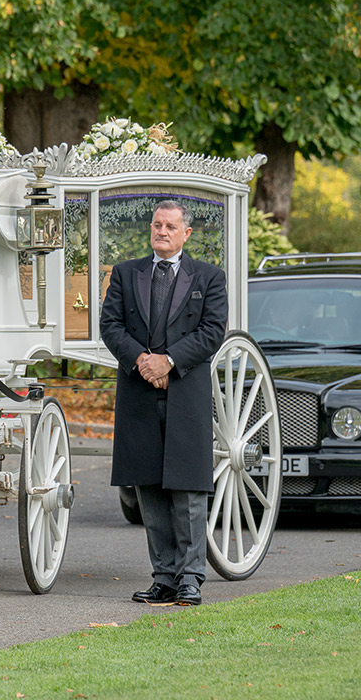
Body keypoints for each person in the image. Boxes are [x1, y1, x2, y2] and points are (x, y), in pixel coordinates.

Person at [99, 200, 227, 607]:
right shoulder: (125, 273)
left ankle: (190, 579)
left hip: (185, 391)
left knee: (188, 489)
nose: (162, 232)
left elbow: (212, 331)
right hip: (138, 389)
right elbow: (110, 325)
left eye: (171, 226)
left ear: (186, 233)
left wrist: (168, 361)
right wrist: (142, 360)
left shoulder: (209, 277)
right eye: (157, 225)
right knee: (149, 488)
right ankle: (164, 578)